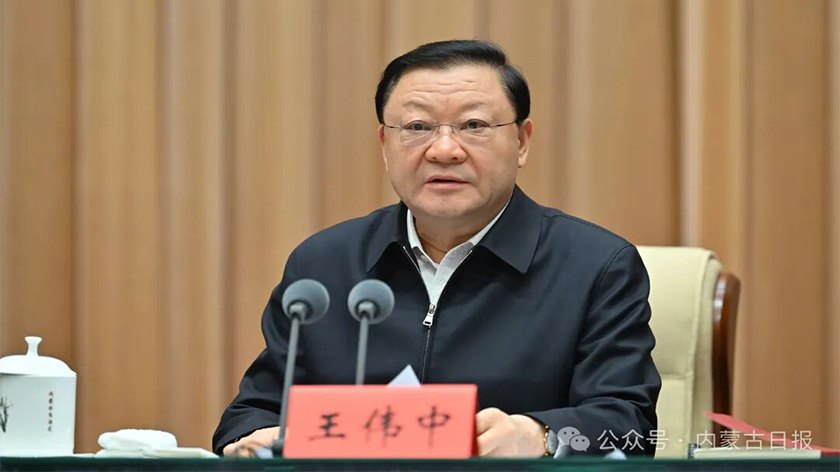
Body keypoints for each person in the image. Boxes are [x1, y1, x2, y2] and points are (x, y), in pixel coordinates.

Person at [213, 39, 660, 458]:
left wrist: (539, 435)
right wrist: (256, 440)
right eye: (417, 127)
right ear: (385, 144)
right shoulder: (323, 263)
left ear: (521, 142)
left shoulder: (596, 266)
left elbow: (631, 426)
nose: (444, 150)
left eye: (474, 126)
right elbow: (251, 413)